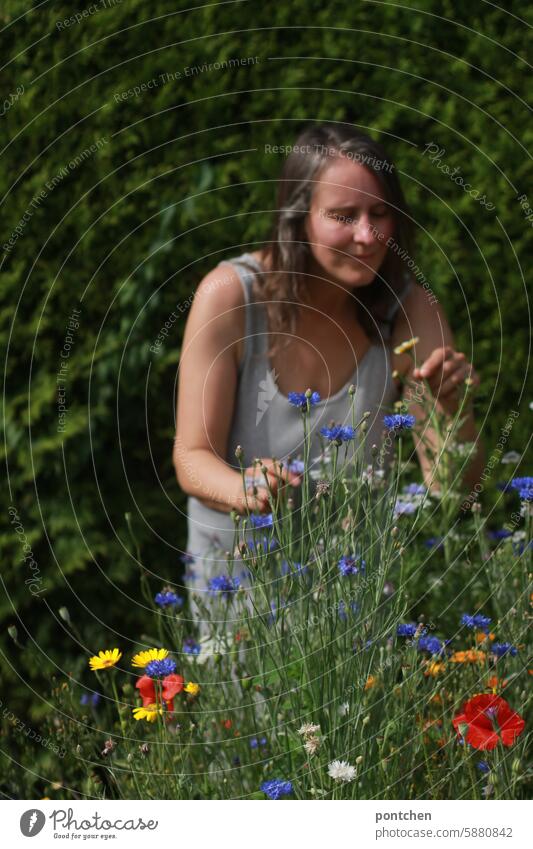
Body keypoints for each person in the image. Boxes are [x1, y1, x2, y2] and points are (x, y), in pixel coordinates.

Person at [173, 123, 484, 633]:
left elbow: (455, 491)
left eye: (379, 214)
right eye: (344, 216)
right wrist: (246, 488)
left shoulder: (409, 310)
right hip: (241, 595)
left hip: (353, 602)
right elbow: (191, 458)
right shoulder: (231, 295)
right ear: (297, 219)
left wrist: (456, 414)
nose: (367, 235)